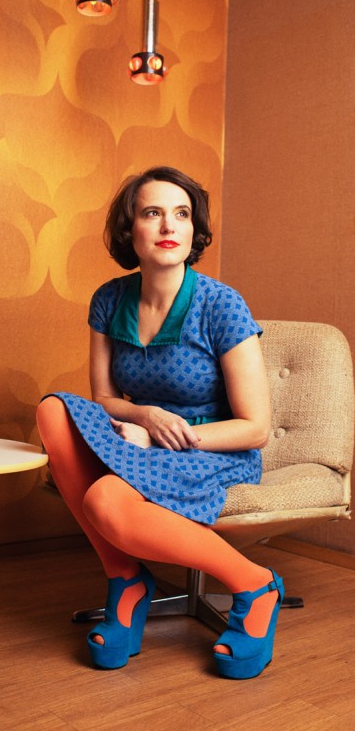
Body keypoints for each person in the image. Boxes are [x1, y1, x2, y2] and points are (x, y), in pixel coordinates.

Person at [36, 165, 284, 680]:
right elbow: (104, 398)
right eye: (153, 213)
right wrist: (144, 417)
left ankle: (255, 584)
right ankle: (126, 577)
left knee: (105, 500)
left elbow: (256, 427)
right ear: (130, 230)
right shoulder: (109, 299)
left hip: (213, 448)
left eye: (182, 214)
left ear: (195, 230)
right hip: (139, 436)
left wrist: (159, 438)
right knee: (53, 410)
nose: (169, 225)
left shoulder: (222, 304)